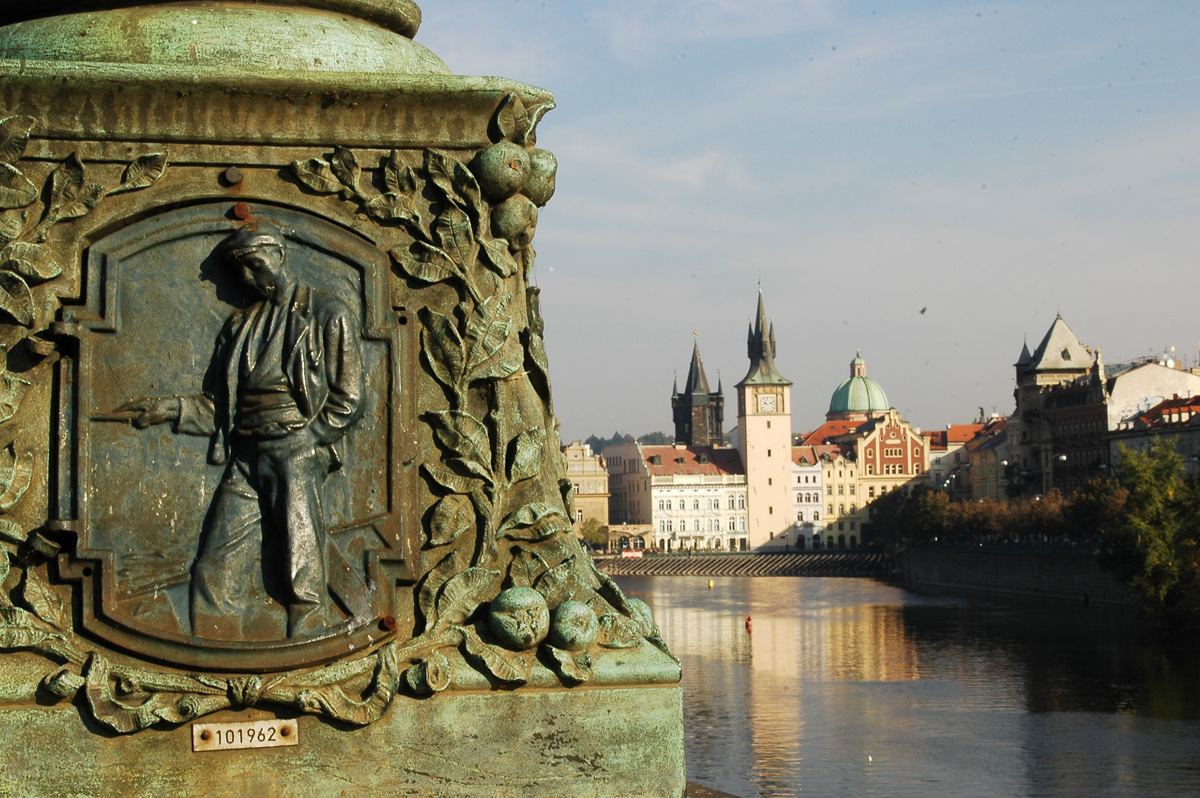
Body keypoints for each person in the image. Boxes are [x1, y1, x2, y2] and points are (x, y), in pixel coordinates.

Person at [120, 224, 365, 639]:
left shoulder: (328, 312)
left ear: (279, 256)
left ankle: (307, 643)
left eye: (256, 266)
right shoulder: (240, 328)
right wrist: (171, 408)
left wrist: (312, 437)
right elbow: (220, 406)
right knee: (214, 566)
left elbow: (349, 395)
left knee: (300, 563)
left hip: (295, 448)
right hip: (245, 454)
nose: (250, 280)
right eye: (242, 274)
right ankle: (213, 645)